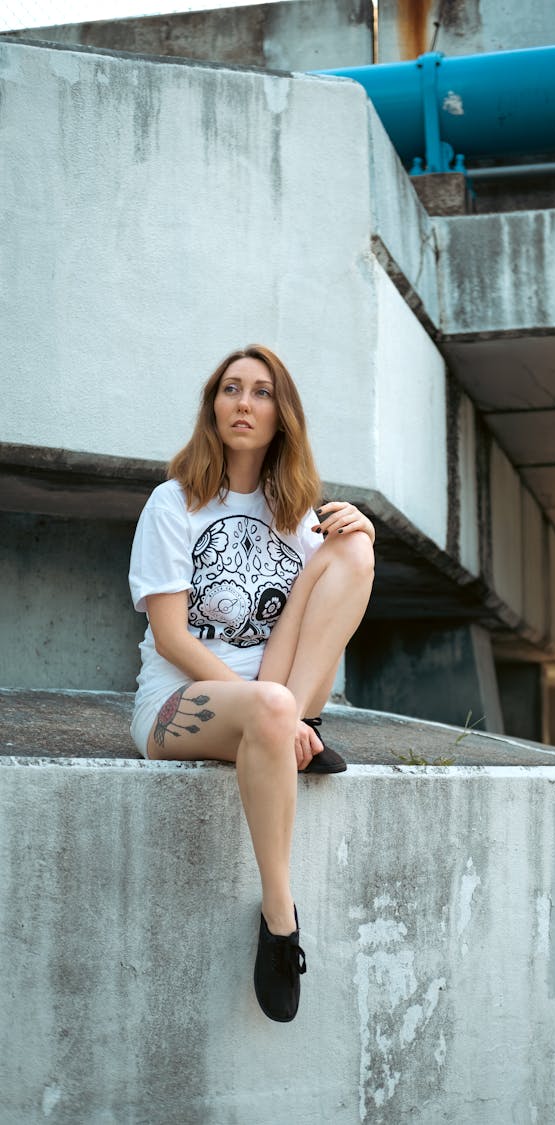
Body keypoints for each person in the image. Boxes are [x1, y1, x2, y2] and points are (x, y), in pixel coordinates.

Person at [128, 344, 375, 1022]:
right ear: (214, 406)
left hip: (276, 691)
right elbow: (174, 637)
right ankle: (279, 921)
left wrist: (361, 527)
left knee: (354, 545)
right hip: (178, 702)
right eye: (231, 388)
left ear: (280, 415)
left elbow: (332, 588)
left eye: (262, 392)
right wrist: (278, 711)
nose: (243, 402)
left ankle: (295, 720)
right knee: (269, 706)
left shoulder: (291, 513)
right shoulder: (173, 503)